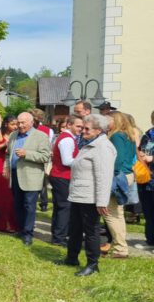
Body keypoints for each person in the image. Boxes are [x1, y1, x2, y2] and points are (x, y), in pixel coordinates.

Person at [56, 114, 116, 277]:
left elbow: (104, 177)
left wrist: (102, 201)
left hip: (91, 198)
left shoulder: (103, 147)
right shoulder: (89, 144)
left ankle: (92, 264)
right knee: (74, 229)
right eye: (82, 128)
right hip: (78, 194)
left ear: (99, 130)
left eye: (87, 129)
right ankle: (71, 258)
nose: (83, 131)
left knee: (91, 231)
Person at [4, 112, 51, 246]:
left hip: (31, 177)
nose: (20, 125)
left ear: (31, 122)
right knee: (18, 204)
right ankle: (21, 229)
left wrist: (27, 154)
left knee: (29, 206)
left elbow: (45, 156)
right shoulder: (13, 135)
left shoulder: (41, 136)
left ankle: (28, 234)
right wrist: (6, 167)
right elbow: (8, 154)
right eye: (18, 122)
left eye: (23, 122)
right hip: (15, 175)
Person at [104, 111, 136, 258]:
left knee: (110, 213)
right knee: (118, 212)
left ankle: (120, 248)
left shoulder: (117, 136)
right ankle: (120, 246)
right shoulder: (128, 135)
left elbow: (118, 159)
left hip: (118, 175)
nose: (105, 122)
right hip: (127, 174)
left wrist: (112, 174)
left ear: (114, 121)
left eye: (107, 120)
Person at [49, 115, 83, 246]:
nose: (80, 129)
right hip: (62, 176)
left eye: (81, 126)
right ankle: (59, 238)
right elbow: (67, 161)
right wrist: (82, 161)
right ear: (69, 125)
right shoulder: (67, 139)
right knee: (64, 207)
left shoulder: (67, 138)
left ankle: (57, 234)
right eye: (78, 126)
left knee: (60, 207)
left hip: (60, 175)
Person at [0, 115, 18, 234]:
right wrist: (4, 145)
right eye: (13, 124)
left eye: (16, 124)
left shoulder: (16, 134)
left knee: (10, 196)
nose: (15, 126)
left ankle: (11, 222)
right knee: (0, 194)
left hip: (11, 164)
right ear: (6, 124)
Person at [136, 110, 154, 250]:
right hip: (146, 179)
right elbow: (140, 150)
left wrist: (152, 158)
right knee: (148, 211)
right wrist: (140, 154)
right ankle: (150, 240)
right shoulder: (148, 135)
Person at [32, 109, 54, 212]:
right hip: (44, 157)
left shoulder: (31, 128)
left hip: (34, 155)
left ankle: (37, 200)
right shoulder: (48, 130)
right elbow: (49, 145)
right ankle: (43, 203)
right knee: (43, 181)